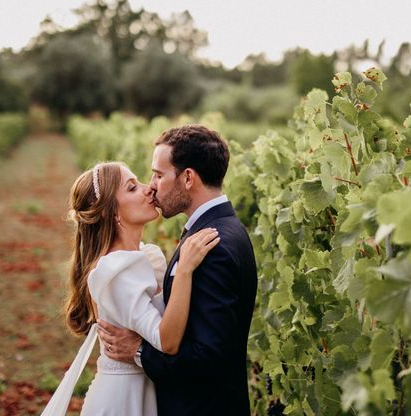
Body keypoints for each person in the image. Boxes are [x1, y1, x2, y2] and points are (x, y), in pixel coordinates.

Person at [97, 125, 258, 415]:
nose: (152, 185)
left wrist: (138, 352)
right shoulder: (221, 229)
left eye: (159, 174)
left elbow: (208, 357)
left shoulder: (213, 247)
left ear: (187, 178)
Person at [42, 161, 219, 416]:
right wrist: (184, 271)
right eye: (132, 188)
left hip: (144, 388)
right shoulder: (117, 271)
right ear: (109, 212)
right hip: (122, 400)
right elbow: (165, 341)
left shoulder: (142, 257)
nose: (149, 189)